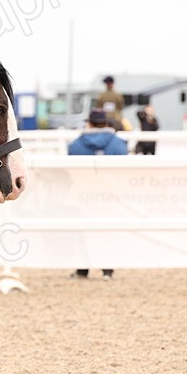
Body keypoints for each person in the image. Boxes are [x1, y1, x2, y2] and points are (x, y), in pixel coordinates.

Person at [68, 108, 125, 279]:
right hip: (109, 194)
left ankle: (83, 268)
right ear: (106, 123)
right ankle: (107, 269)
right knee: (107, 229)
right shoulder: (119, 144)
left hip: (84, 194)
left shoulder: (76, 145)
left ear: (90, 123)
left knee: (82, 230)